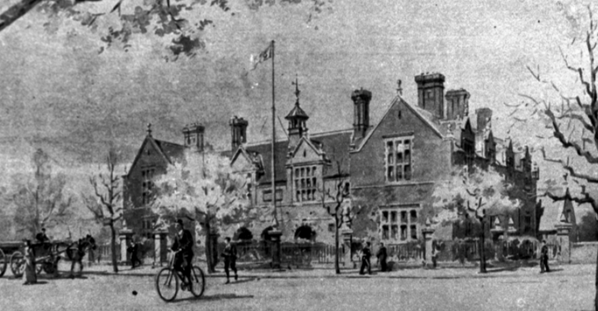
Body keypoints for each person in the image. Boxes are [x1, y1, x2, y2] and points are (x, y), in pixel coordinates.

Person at [171, 219, 194, 290]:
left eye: (178, 225)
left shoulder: (186, 233)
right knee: (175, 266)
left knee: (186, 266)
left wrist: (183, 248)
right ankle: (185, 279)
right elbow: (175, 245)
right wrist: (171, 248)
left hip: (187, 253)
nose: (176, 226)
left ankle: (189, 283)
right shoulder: (176, 235)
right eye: (175, 225)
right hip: (180, 254)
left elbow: (190, 242)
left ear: (181, 225)